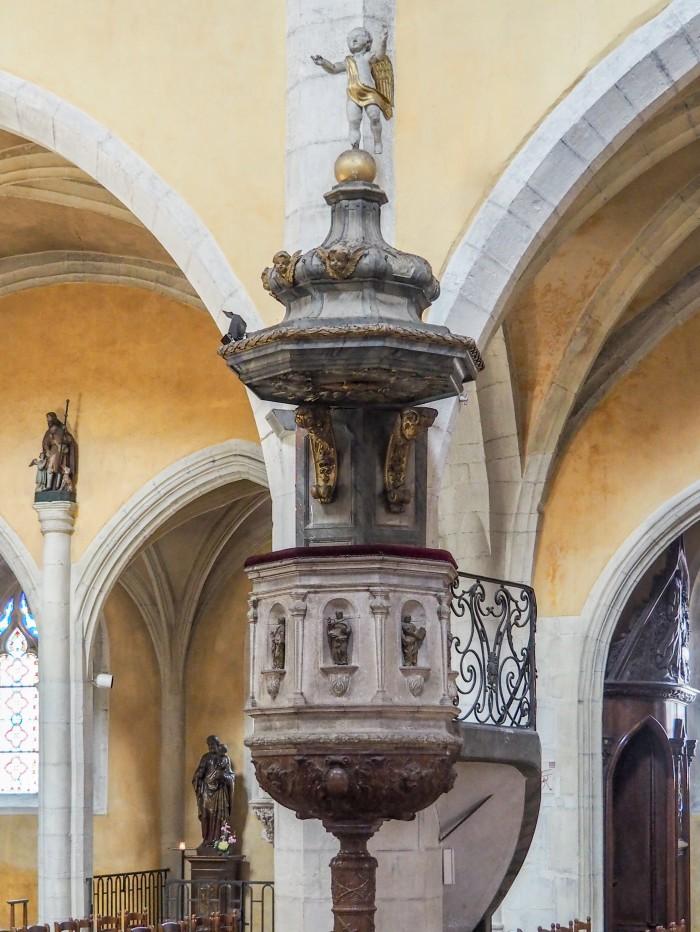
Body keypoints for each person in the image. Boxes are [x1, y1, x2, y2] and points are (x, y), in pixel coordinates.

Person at [312, 26, 393, 154]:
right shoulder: (348, 61)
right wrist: (323, 63)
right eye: (349, 38)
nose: (353, 39)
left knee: (374, 116)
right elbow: (334, 68)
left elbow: (380, 55)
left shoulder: (367, 57)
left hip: (369, 92)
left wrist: (383, 41)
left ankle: (377, 141)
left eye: (357, 37)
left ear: (367, 42)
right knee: (354, 121)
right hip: (353, 93)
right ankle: (355, 146)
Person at [191, 735, 236, 847]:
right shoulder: (205, 758)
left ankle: (220, 841)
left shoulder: (225, 759)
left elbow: (231, 776)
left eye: (213, 744)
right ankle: (207, 840)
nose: (211, 747)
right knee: (206, 815)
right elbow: (199, 773)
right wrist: (198, 777)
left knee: (219, 816)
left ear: (217, 744)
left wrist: (223, 776)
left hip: (220, 792)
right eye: (209, 745)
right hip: (206, 791)